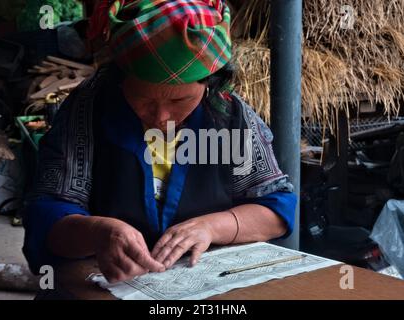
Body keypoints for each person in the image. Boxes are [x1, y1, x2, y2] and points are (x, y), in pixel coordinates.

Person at [22, 0, 297, 284]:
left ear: (211, 85)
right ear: (120, 79)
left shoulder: (228, 117)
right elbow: (46, 214)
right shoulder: (90, 108)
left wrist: (213, 227)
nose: (162, 116)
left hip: (202, 284)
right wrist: (97, 232)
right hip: (105, 283)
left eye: (180, 100)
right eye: (143, 99)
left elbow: (276, 208)